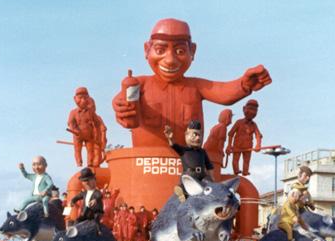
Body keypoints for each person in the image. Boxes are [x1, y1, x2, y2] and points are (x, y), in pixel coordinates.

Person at [112, 18, 271, 148]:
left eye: (180, 51)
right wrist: (121, 107)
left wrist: (245, 84)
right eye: (160, 50)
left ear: (192, 51)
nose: (170, 60)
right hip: (146, 164)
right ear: (147, 50)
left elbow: (222, 92)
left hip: (189, 163)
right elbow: (120, 100)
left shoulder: (195, 86)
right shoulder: (139, 84)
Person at [164, 120, 214, 202]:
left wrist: (212, 179)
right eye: (195, 135)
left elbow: (209, 166)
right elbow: (173, 145)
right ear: (187, 135)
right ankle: (182, 191)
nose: (198, 138)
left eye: (199, 135)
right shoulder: (184, 150)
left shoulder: (202, 152)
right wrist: (170, 138)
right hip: (190, 174)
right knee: (187, 182)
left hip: (202, 175)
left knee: (209, 184)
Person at [226, 99, 262, 176]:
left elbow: (258, 135)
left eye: (255, 110)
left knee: (246, 161)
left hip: (248, 147)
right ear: (244, 109)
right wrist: (229, 145)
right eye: (250, 109)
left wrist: (258, 144)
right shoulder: (239, 122)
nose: (252, 112)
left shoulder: (254, 125)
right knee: (235, 160)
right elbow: (230, 134)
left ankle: (245, 172)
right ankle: (236, 171)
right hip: (237, 146)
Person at [70, 167, 104, 234]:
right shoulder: (84, 193)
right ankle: (73, 232)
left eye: (88, 180)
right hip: (86, 212)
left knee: (96, 219)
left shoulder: (96, 192)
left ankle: (99, 231)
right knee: (78, 220)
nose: (87, 183)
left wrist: (95, 200)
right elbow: (77, 197)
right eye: (84, 181)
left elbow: (99, 196)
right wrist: (73, 201)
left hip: (95, 212)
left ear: (94, 180)